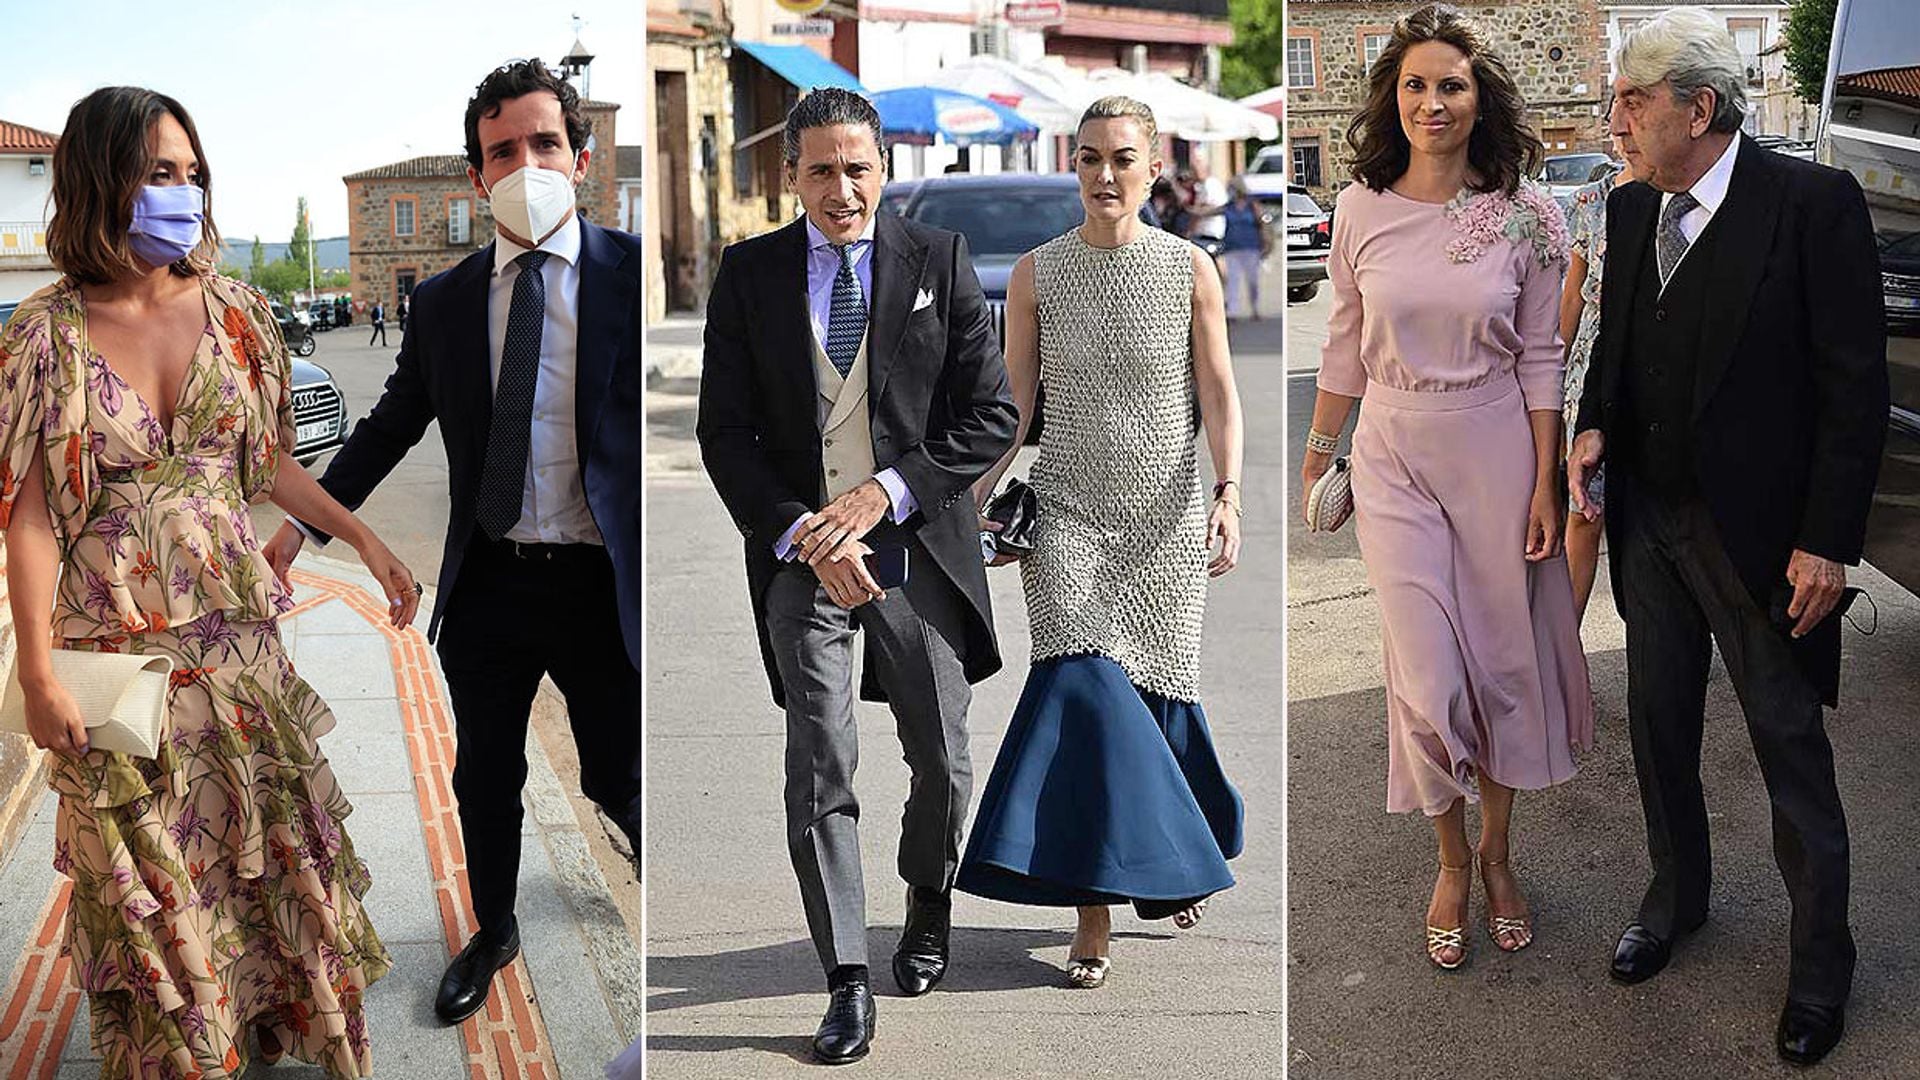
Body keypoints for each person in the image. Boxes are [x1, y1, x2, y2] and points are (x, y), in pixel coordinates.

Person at [1, 85, 421, 1077]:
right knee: (148, 880)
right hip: (114, 662)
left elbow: (266, 462)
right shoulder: (42, 333)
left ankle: (260, 1027)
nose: (182, 194)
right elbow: (23, 515)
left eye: (192, 174)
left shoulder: (237, 312)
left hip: (236, 659)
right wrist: (35, 672)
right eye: (158, 173)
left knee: (259, 856)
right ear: (101, 180)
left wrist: (360, 536)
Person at [262, 59, 643, 1027]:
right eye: (501, 151)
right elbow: (387, 427)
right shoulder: (441, 302)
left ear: (581, 157)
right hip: (491, 586)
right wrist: (300, 530)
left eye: (543, 143)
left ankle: (641, 850)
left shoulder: (633, 282)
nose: (524, 164)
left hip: (605, 586)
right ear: (477, 176)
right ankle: (494, 927)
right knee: (484, 773)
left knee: (615, 769)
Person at [1567, 9, 1887, 1064]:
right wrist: (1594, 425)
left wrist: (1826, 542)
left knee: (1788, 752)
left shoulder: (1812, 205)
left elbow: (1855, 391)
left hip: (1764, 542)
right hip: (1650, 521)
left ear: (1697, 108)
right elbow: (1616, 340)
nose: (1615, 117)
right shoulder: (1625, 212)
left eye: (1632, 99)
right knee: (1658, 731)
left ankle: (1820, 966)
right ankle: (1675, 900)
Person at [696, 86, 1015, 1065]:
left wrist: (884, 495)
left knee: (944, 761)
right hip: (802, 558)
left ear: (886, 169)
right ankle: (845, 979)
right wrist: (803, 530)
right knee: (820, 763)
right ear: (789, 176)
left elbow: (990, 417)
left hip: (915, 553)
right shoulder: (747, 276)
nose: (844, 189)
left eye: (859, 167)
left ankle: (927, 900)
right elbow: (725, 433)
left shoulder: (940, 261)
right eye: (823, 170)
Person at [1299, 3, 1592, 971]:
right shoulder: (1356, 208)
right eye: (1416, 84)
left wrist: (1547, 481)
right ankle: (1450, 859)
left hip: (1499, 452)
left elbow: (1544, 355)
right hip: (1391, 455)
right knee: (1426, 678)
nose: (1432, 102)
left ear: (1480, 100)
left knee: (1502, 669)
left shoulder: (1527, 215)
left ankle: (1499, 856)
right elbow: (1343, 340)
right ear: (1394, 95)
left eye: (1451, 85)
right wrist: (1316, 450)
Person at [956, 95, 1247, 989]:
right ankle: (1093, 913)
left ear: (1152, 167)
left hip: (1163, 515)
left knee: (1159, 695)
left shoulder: (1190, 270)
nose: (1103, 175)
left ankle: (1170, 857)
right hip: (1071, 511)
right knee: (1082, 689)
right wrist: (972, 496)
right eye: (1088, 159)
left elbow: (1222, 395)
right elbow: (1017, 405)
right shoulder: (1039, 275)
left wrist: (1229, 496)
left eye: (1121, 159)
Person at [1557, 147, 1635, 622]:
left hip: (1652, 368)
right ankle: (1566, 643)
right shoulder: (1590, 201)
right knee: (1585, 511)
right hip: (1589, 368)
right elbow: (1572, 293)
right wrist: (1555, 368)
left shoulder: (1678, 197)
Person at [1191, 177, 1271, 319]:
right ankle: (1232, 311)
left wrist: (1266, 243)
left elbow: (1262, 224)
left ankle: (1255, 307)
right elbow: (1208, 212)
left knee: (1253, 281)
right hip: (1232, 247)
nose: (1231, 191)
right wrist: (1191, 210)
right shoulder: (1229, 206)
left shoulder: (1252, 206)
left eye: (1232, 188)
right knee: (1233, 281)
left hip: (1251, 247)